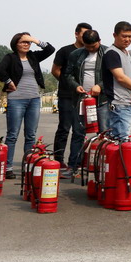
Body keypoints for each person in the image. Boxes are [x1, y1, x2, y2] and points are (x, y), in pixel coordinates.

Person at [0, 32, 55, 178]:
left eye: (28, 42)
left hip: (34, 99)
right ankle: (8, 167)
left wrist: (34, 39)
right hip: (16, 99)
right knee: (12, 135)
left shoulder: (33, 57)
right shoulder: (10, 57)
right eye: (23, 42)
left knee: (31, 135)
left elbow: (50, 49)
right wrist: (8, 82)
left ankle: (28, 166)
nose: (26, 44)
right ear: (16, 44)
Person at [51, 22, 92, 176]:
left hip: (84, 97)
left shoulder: (91, 52)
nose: (86, 37)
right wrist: (69, 84)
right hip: (67, 96)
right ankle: (58, 159)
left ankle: (75, 162)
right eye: (83, 34)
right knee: (64, 128)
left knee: (80, 131)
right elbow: (55, 70)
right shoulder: (65, 51)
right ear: (76, 34)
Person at [102, 21, 131, 140]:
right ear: (115, 35)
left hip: (128, 102)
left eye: (130, 36)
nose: (127, 39)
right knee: (120, 140)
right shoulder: (112, 53)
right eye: (124, 36)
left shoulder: (126, 53)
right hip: (119, 103)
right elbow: (120, 77)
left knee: (123, 138)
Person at [64, 29, 109, 137]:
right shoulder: (75, 55)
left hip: (102, 100)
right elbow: (68, 75)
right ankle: (78, 149)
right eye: (87, 46)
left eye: (93, 46)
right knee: (78, 133)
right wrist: (75, 86)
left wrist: (100, 86)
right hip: (81, 99)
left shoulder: (108, 53)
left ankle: (101, 148)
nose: (91, 49)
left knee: (104, 133)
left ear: (99, 41)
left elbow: (113, 75)